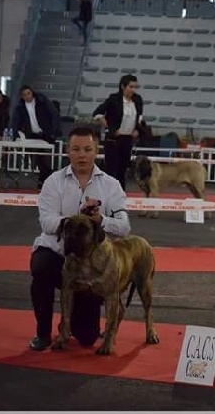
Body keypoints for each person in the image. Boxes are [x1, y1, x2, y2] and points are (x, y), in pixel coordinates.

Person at [28, 126, 130, 351]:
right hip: (57, 253)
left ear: (96, 151)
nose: (81, 154)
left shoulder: (111, 185)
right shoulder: (53, 182)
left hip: (91, 262)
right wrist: (76, 220)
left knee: (86, 338)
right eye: (76, 149)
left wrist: (100, 220)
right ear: (67, 151)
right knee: (40, 267)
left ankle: (80, 315)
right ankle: (43, 332)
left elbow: (124, 227)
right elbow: (46, 223)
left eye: (87, 149)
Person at [93, 74, 144, 191]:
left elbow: (139, 117)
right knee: (112, 170)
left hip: (127, 139)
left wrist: (137, 129)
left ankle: (120, 194)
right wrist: (109, 127)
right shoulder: (113, 99)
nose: (133, 90)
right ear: (123, 86)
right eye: (131, 87)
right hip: (114, 139)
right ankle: (108, 194)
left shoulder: (138, 100)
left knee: (123, 169)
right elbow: (97, 113)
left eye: (135, 87)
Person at [11, 85, 60, 186]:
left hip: (46, 134)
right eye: (24, 95)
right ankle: (45, 180)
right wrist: (15, 135)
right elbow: (15, 121)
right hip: (32, 135)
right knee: (36, 159)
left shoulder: (42, 101)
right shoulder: (20, 107)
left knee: (46, 158)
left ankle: (45, 180)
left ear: (32, 93)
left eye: (28, 93)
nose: (27, 96)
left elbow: (54, 114)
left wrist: (54, 132)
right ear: (22, 96)